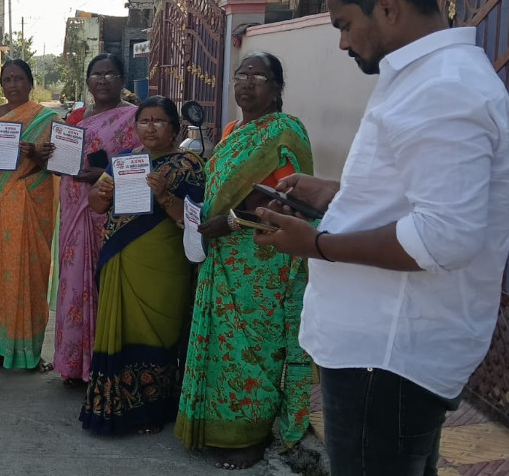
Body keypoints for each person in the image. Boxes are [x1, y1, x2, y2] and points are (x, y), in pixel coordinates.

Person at [254, 0, 509, 474]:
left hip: (388, 355)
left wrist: (318, 245)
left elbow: (443, 237)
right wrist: (335, 194)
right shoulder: (427, 78)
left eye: (344, 25)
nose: (342, 42)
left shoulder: (443, 88)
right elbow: (417, 197)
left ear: (387, 8)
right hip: (382, 351)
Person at [175, 53, 313, 470]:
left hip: (263, 258)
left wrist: (232, 221)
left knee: (254, 349)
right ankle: (218, 426)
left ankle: (252, 434)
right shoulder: (233, 131)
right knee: (223, 346)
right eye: (241, 75)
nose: (247, 83)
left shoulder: (285, 132)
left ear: (277, 88)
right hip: (222, 255)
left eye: (259, 77)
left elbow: (290, 202)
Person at [81, 96, 206, 435]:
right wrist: (103, 193)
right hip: (121, 256)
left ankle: (152, 409)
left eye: (159, 121)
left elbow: (193, 219)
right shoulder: (124, 160)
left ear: (174, 128)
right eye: (144, 121)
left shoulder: (188, 165)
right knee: (121, 331)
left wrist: (164, 195)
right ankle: (113, 407)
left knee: (158, 332)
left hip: (164, 263)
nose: (151, 128)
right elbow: (96, 205)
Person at [52, 53, 140, 388]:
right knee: (75, 283)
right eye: (96, 74)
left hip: (112, 214)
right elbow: (64, 163)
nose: (102, 80)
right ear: (88, 81)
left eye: (110, 74)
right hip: (75, 211)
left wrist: (103, 174)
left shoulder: (134, 117)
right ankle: (74, 364)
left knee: (107, 284)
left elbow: (142, 163)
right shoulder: (77, 118)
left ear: (122, 80)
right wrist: (52, 158)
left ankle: (103, 364)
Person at [0, 59, 61, 372]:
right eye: (7, 79)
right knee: (1, 271)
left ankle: (32, 352)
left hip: (33, 201)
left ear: (30, 83)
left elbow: (60, 165)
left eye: (19, 78)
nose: (12, 85)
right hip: (1, 202)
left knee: (32, 275)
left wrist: (35, 154)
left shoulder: (48, 119)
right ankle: (0, 349)